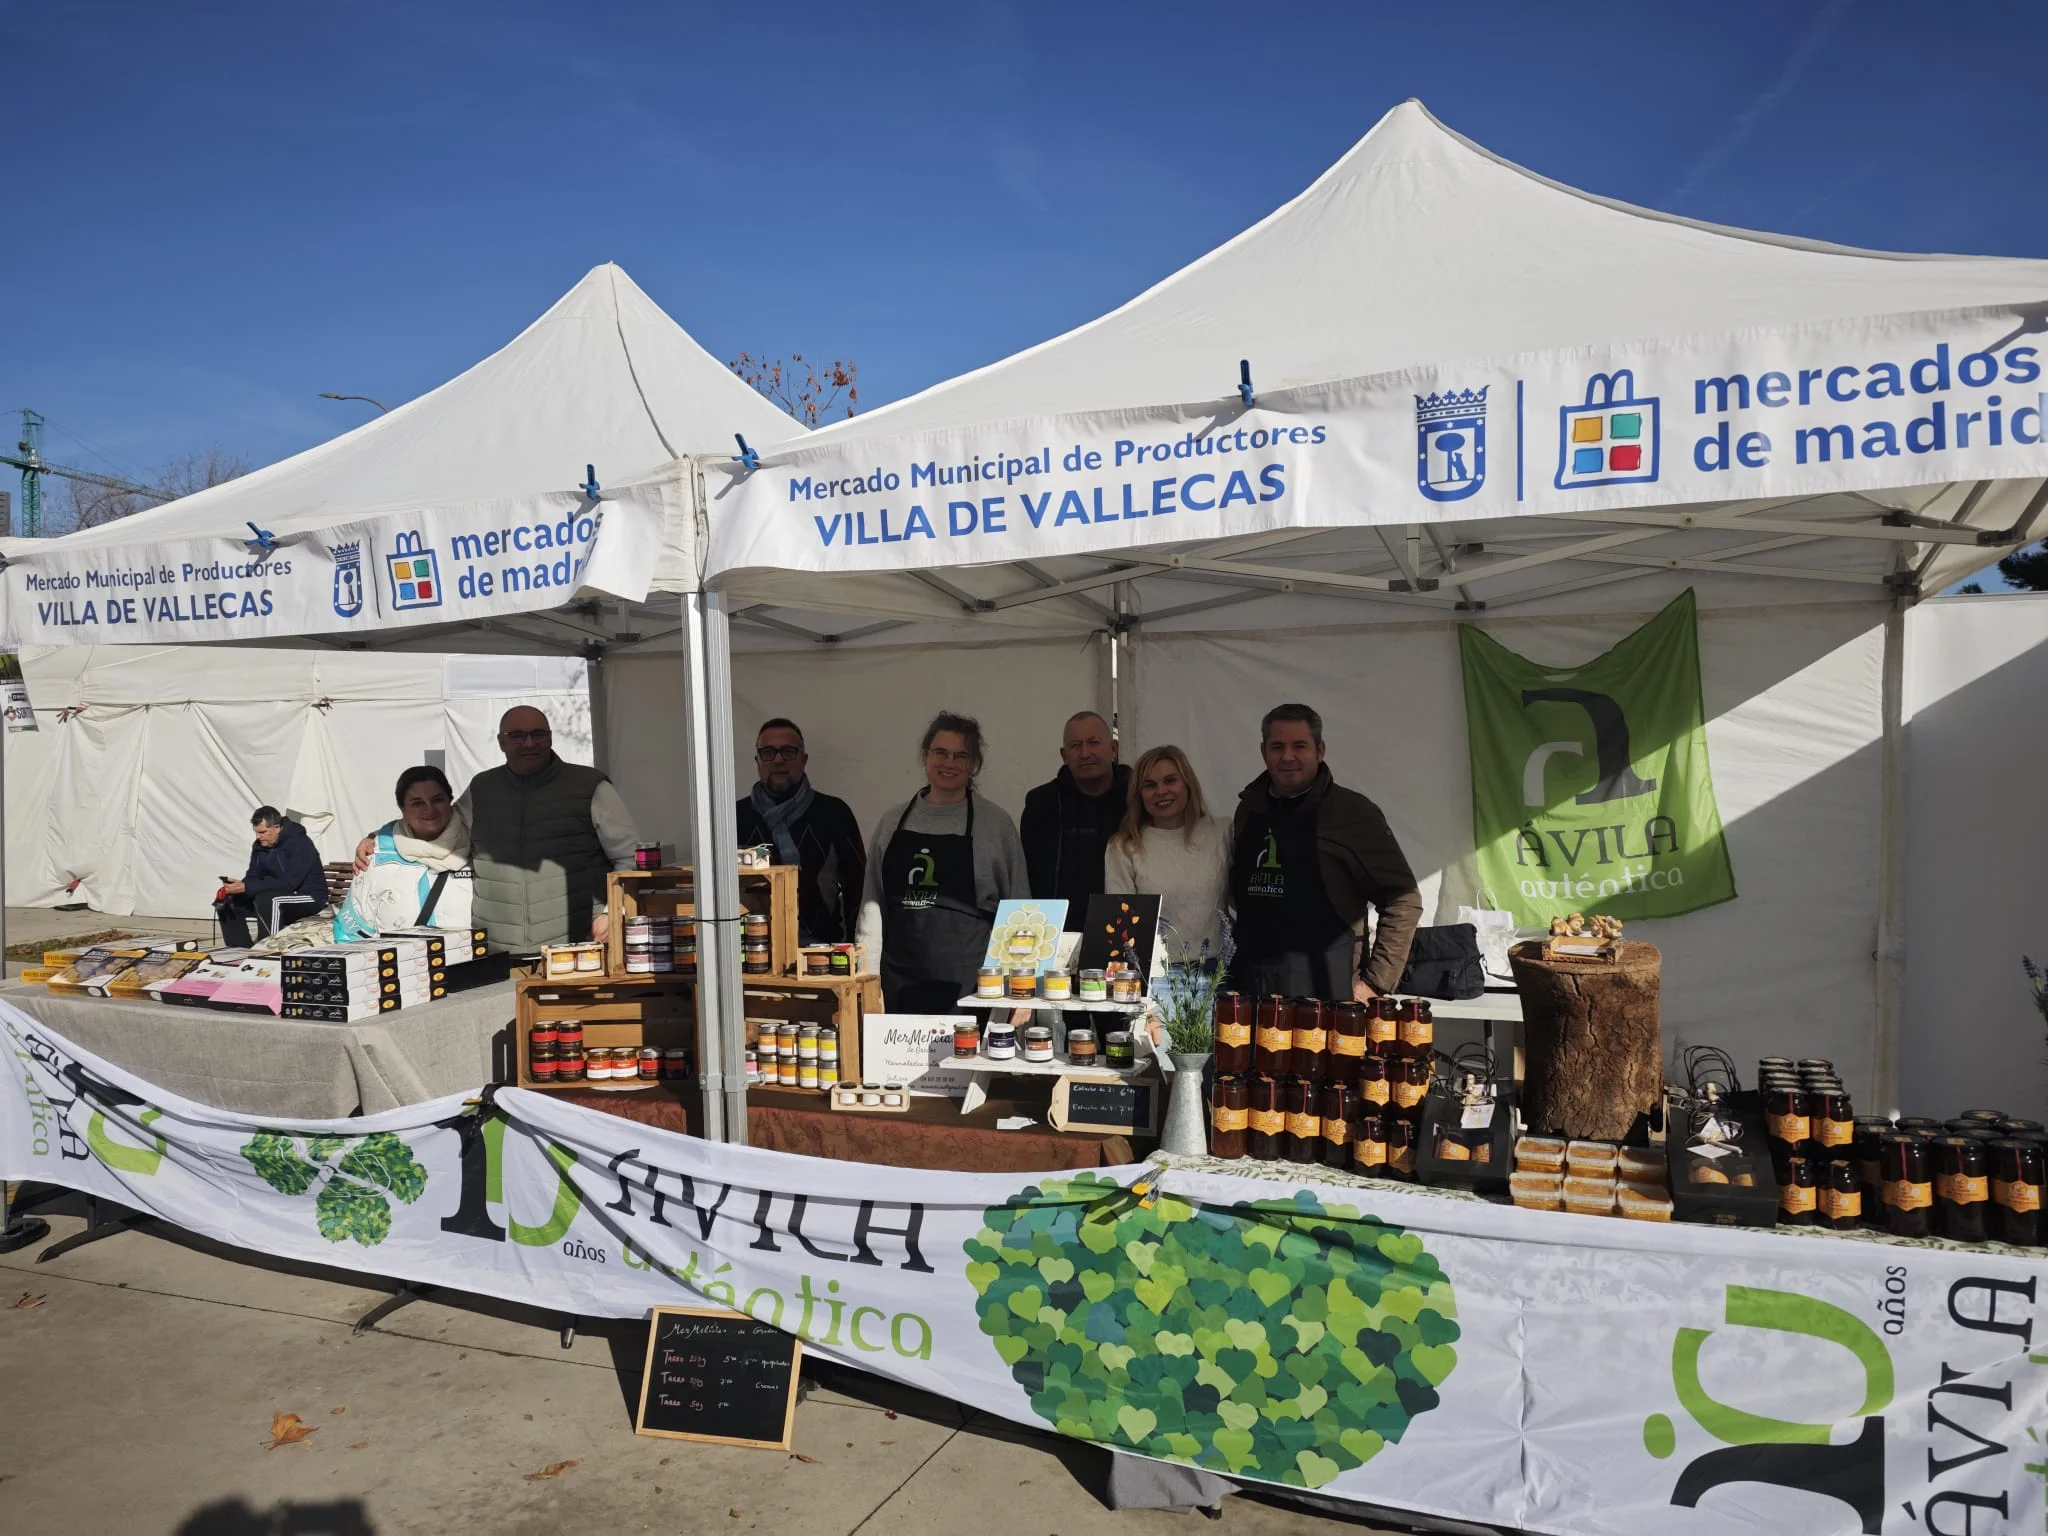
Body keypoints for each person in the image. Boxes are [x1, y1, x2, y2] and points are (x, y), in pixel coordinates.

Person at [355, 706, 639, 955]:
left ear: (550, 738)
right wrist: (379, 836)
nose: (529, 743)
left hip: (576, 947)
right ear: (501, 742)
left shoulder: (590, 786)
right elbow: (440, 825)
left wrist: (613, 912)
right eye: (517, 735)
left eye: (538, 734)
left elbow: (631, 858)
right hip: (497, 951)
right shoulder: (482, 788)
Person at [1228, 703, 1423, 1002]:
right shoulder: (1248, 809)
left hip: (1328, 994)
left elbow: (1404, 899)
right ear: (1263, 751)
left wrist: (1375, 983)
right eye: (1277, 746)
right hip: (1253, 990)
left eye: (1299, 746)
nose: (1288, 756)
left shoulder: (1354, 814)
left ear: (1320, 751)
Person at [857, 711, 1029, 1013]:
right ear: (925, 757)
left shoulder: (995, 825)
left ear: (974, 765)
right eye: (940, 753)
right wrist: (867, 982)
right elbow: (872, 907)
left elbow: (1020, 909)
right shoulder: (892, 822)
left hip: (973, 989)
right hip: (898, 984)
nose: (949, 763)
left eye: (961, 756)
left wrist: (1020, 992)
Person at [734, 717, 866, 945]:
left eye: (788, 752)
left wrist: (858, 951)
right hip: (750, 950)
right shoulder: (734, 817)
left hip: (822, 952)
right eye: (768, 752)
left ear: (803, 760)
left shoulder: (834, 813)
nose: (777, 760)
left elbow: (859, 889)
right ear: (757, 761)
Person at [1104, 745, 1230, 959]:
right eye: (1149, 785)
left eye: (1170, 781)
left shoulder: (1222, 832)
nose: (1161, 791)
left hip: (1216, 971)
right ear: (1139, 794)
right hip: (1154, 976)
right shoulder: (1124, 846)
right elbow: (1121, 927)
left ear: (1188, 784)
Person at [1019, 710, 1132, 930]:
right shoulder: (1041, 804)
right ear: (1064, 755)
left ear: (1114, 749)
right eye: (1075, 746)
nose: (1085, 753)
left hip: (1125, 929)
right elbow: (1026, 877)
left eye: (1093, 742)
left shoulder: (1137, 798)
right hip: (1055, 934)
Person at [333, 766, 474, 941]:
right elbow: (352, 934)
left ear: (450, 801)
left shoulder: (479, 851)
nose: (429, 810)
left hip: (469, 965)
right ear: (402, 808)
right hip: (398, 966)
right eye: (417, 803)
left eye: (438, 800)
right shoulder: (376, 859)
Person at [216, 806, 329, 948]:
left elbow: (290, 883)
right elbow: (253, 875)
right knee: (227, 900)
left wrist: (248, 887)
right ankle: (239, 950)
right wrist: (239, 887)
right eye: (256, 832)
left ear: (277, 827)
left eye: (263, 832)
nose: (258, 837)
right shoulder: (259, 846)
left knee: (270, 900)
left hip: (309, 896)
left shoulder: (300, 843)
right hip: (277, 894)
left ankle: (271, 950)